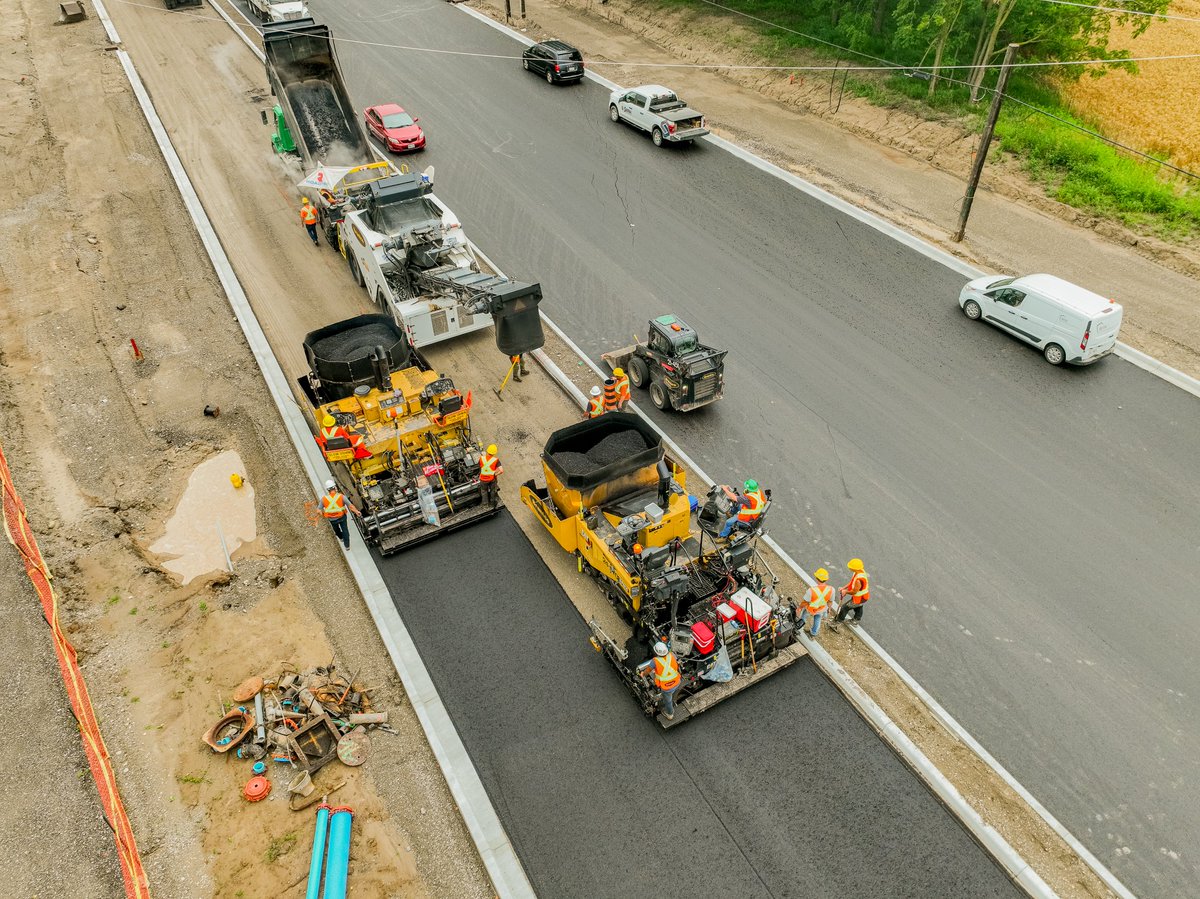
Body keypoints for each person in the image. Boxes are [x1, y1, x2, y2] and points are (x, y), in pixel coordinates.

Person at [321, 479, 360, 550]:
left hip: (332, 519)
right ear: (335, 487)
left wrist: (323, 514)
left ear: (327, 490)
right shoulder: (342, 497)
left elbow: (319, 510)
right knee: (345, 531)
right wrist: (356, 511)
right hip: (342, 517)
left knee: (337, 530)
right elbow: (350, 506)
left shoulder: (324, 499)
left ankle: (341, 537)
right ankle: (347, 546)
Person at [796, 568, 834, 638]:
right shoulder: (831, 589)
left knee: (803, 617)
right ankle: (813, 633)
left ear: (817, 578)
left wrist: (799, 608)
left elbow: (805, 602)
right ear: (826, 579)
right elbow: (830, 601)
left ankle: (798, 627)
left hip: (810, 609)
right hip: (821, 609)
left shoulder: (811, 591)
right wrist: (829, 608)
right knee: (817, 619)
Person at [834, 558, 871, 626]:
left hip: (860, 598)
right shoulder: (859, 572)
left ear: (855, 569)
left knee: (844, 607)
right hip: (862, 597)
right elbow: (852, 582)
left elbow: (854, 592)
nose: (849, 568)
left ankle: (838, 621)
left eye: (851, 567)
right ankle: (856, 619)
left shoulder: (858, 580)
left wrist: (846, 592)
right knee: (858, 607)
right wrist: (844, 588)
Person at [651, 641, 681, 720]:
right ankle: (673, 694)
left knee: (668, 701)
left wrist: (642, 674)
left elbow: (647, 671)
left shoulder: (654, 661)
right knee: (672, 691)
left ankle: (670, 714)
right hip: (677, 681)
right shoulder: (672, 655)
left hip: (666, 687)